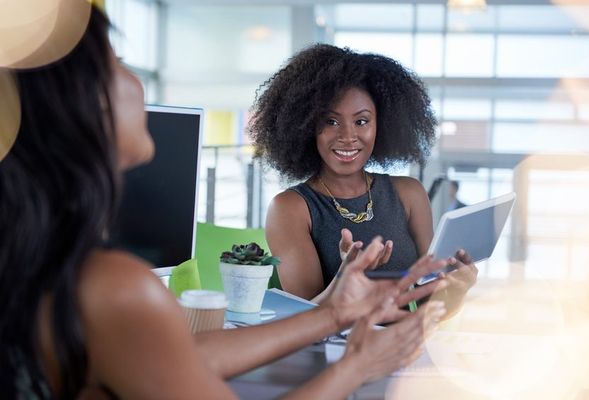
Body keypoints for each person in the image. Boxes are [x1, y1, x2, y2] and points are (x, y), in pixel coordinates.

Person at [0, 7, 449, 398]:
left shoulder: (47, 265)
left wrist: (335, 313)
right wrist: (358, 367)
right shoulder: (112, 286)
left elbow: (186, 357)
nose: (133, 77)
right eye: (115, 62)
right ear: (80, 102)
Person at [250, 44, 478, 309]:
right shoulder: (291, 208)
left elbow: (429, 308)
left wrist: (457, 290)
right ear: (307, 125)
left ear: (382, 125)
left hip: (402, 346)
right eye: (331, 121)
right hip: (336, 351)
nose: (348, 136)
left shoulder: (409, 194)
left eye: (361, 121)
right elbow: (302, 320)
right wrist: (344, 280)